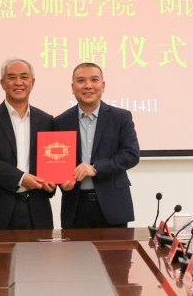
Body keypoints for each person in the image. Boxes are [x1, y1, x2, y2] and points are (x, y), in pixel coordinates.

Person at [0, 58, 55, 230]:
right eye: (12, 77)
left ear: (32, 83)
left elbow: (52, 160)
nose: (18, 82)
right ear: (2, 83)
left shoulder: (46, 121)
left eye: (24, 77)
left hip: (37, 211)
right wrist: (21, 178)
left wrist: (53, 182)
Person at [54, 63, 140, 229]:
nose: (88, 86)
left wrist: (95, 168)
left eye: (94, 80)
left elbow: (131, 154)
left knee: (116, 248)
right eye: (81, 81)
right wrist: (60, 181)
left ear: (103, 85)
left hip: (113, 205)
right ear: (72, 87)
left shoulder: (120, 117)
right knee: (76, 248)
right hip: (75, 207)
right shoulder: (60, 122)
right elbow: (56, 160)